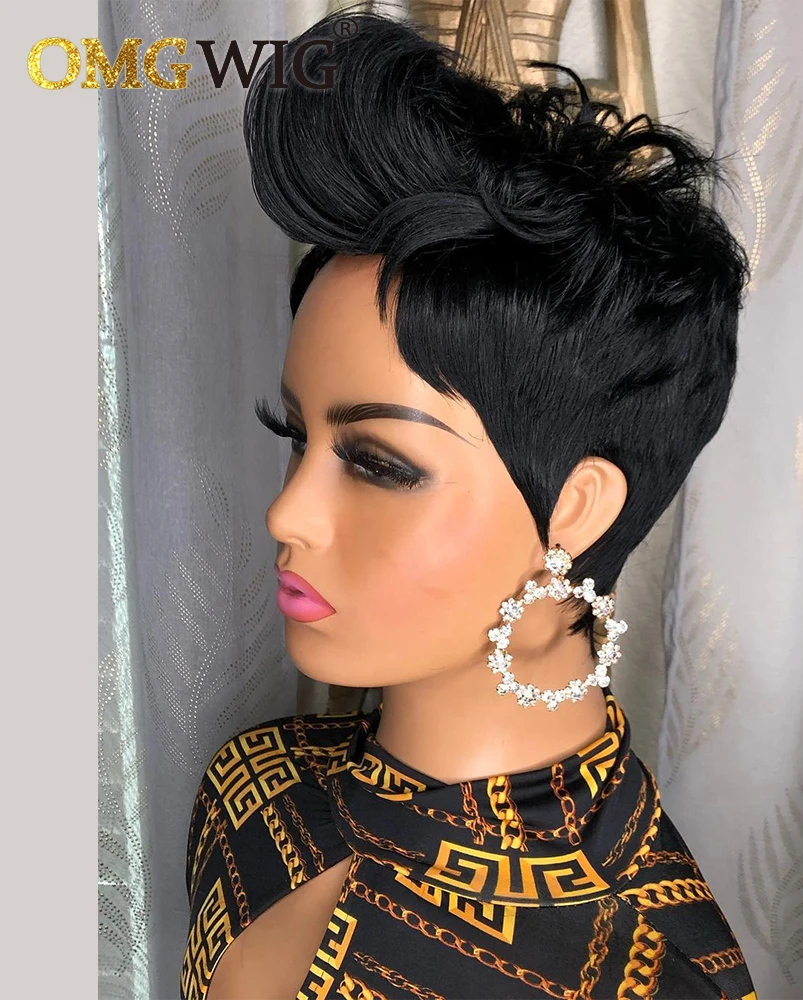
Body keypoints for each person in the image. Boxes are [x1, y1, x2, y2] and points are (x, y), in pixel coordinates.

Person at [181, 10, 755, 999]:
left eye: (377, 463)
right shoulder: (254, 790)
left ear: (575, 509)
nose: (287, 516)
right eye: (297, 438)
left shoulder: (634, 969)